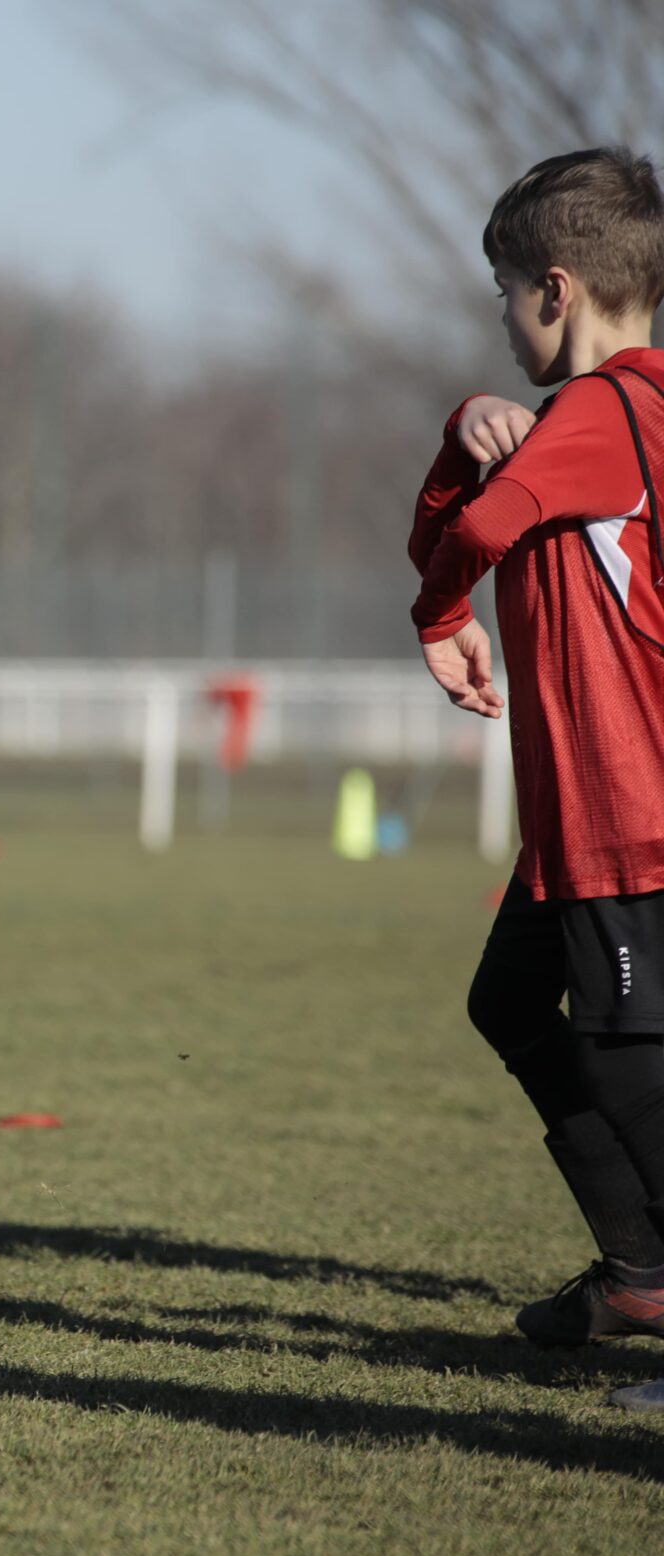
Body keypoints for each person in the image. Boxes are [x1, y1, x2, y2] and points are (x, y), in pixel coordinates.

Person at [404, 148, 664, 1408]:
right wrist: (464, 431)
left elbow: (472, 533)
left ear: (554, 290)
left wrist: (435, 612)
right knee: (508, 1001)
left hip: (632, 813)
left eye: (506, 292)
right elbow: (470, 503)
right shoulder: (607, 420)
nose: (504, 320)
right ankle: (637, 1270)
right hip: (580, 821)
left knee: (622, 1062)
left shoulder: (601, 416)